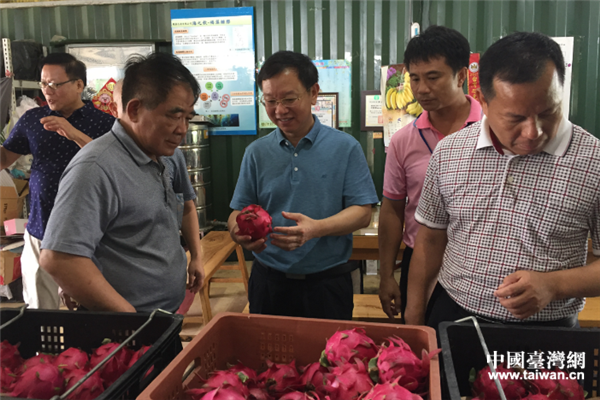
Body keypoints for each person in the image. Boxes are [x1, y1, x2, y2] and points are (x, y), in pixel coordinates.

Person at [405, 31, 600, 329]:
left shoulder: (593, 161)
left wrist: (554, 285)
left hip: (548, 329)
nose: (533, 132)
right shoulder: (450, 152)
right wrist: (415, 316)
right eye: (515, 118)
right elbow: (430, 240)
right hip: (455, 315)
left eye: (548, 112)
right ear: (483, 100)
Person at [39, 53, 204, 312]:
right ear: (134, 109)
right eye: (174, 116)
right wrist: (132, 320)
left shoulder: (168, 155)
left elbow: (185, 207)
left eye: (188, 118)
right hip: (124, 328)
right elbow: (58, 258)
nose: (183, 129)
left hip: (163, 316)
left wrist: (196, 256)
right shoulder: (96, 167)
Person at [228, 50, 379, 320]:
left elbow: (362, 213)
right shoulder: (256, 153)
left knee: (328, 348)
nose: (279, 110)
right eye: (270, 101)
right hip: (268, 281)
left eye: (289, 99)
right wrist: (236, 232)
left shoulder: (345, 148)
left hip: (328, 283)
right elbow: (237, 211)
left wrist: (316, 229)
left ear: (313, 93)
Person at [378, 25, 482, 321]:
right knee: (420, 341)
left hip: (475, 263)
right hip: (419, 261)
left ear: (460, 76)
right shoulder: (403, 141)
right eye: (415, 78)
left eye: (433, 77)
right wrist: (386, 275)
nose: (422, 89)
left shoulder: (492, 132)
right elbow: (393, 209)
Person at [0, 53, 114, 309]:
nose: (47, 91)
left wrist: (72, 133)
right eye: (43, 84)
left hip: (90, 231)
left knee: (94, 307)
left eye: (55, 84)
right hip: (41, 226)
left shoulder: (104, 123)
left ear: (78, 85)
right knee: (40, 308)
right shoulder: (33, 119)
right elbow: (5, 158)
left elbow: (113, 164)